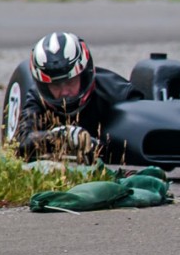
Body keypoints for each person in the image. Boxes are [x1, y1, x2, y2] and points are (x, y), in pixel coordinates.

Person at [14, 32, 142, 163]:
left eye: (70, 82)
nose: (64, 92)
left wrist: (95, 146)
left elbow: (142, 145)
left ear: (84, 74)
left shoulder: (120, 94)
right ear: (44, 86)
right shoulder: (37, 98)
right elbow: (19, 144)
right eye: (55, 85)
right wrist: (59, 137)